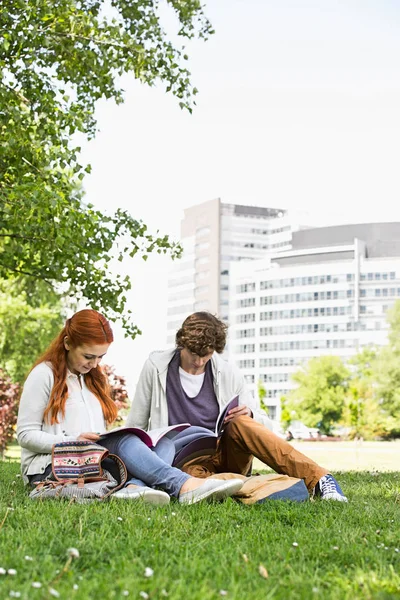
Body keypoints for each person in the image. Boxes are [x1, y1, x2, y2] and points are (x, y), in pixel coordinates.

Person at [16, 309, 243, 506]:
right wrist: (74, 441)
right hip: (52, 467)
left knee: (163, 441)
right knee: (124, 442)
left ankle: (134, 489)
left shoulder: (92, 380)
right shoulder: (44, 375)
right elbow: (25, 435)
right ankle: (183, 486)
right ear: (67, 344)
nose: (94, 364)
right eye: (88, 356)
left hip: (92, 461)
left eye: (100, 357)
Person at [126, 311, 348, 502]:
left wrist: (251, 414)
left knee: (242, 421)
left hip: (226, 453)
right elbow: (136, 423)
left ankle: (320, 480)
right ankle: (281, 487)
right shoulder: (156, 368)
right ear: (181, 344)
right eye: (194, 354)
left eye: (207, 355)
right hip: (183, 462)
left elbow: (263, 426)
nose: (199, 362)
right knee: (199, 485)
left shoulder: (227, 372)